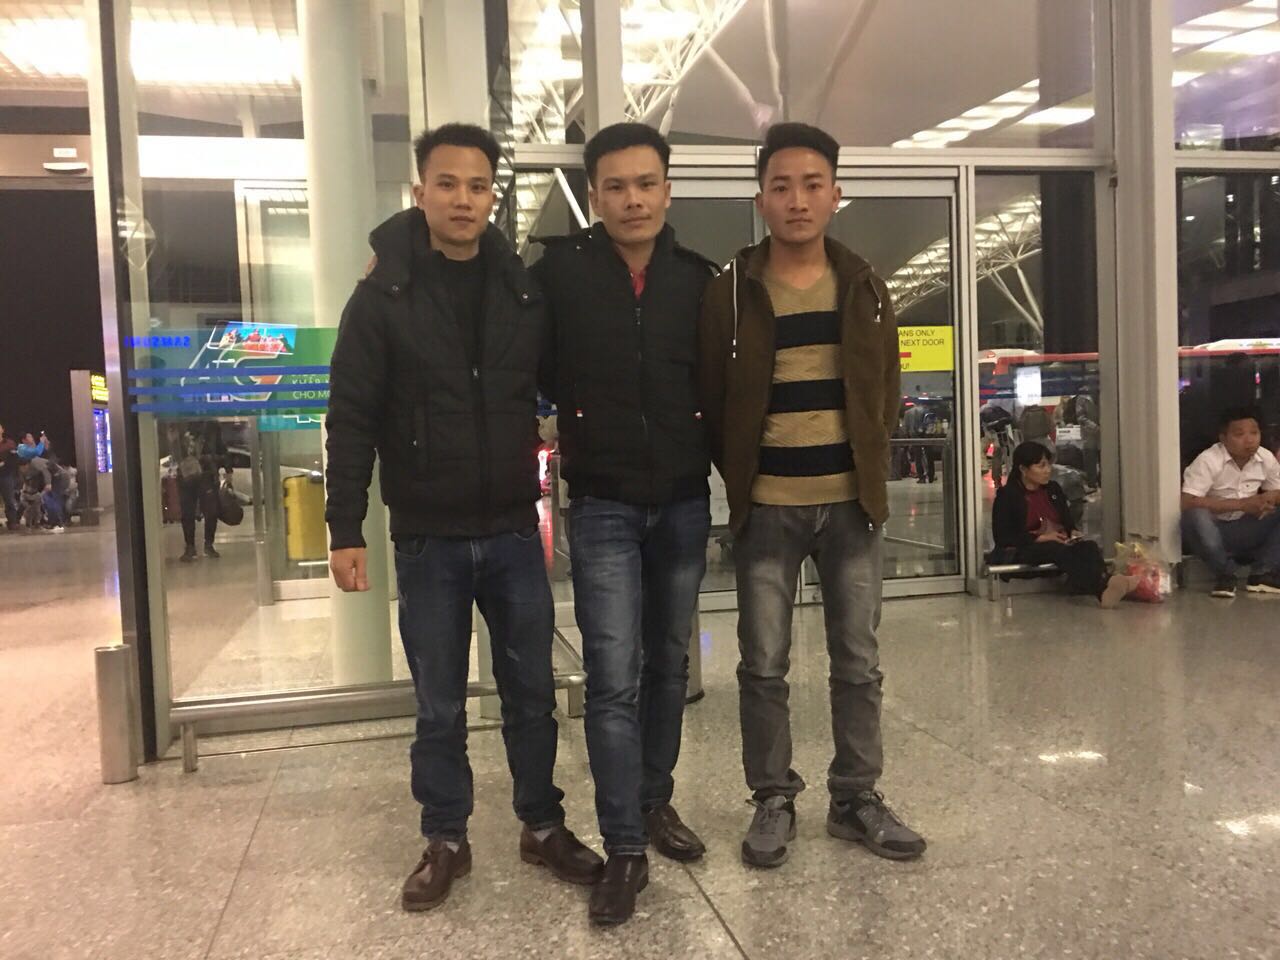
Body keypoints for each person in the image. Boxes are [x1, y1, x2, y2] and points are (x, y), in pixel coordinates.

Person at [324, 123, 600, 915]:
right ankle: (445, 836)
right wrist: (345, 527)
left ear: (492, 197)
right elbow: (352, 416)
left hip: (512, 528)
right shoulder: (383, 296)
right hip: (428, 536)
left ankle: (541, 824)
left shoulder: (521, 292)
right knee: (439, 702)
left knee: (531, 693)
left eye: (478, 186)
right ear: (420, 192)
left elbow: (567, 380)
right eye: (446, 184)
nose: (463, 199)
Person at [697, 122, 926, 870]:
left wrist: (867, 466)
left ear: (835, 194)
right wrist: (743, 481)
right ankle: (772, 796)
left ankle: (856, 798)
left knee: (858, 662)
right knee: (763, 663)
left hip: (851, 507)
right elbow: (714, 399)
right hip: (767, 505)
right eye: (782, 186)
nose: (797, 200)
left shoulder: (864, 286)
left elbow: (884, 389)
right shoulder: (731, 293)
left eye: (812, 185)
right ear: (760, 199)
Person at [532, 121, 717, 926]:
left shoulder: (698, 281)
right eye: (616, 186)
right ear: (594, 195)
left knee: (669, 664)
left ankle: (653, 800)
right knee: (612, 675)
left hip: (682, 500)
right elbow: (510, 336)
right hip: (604, 501)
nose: (633, 199)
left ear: (667, 190)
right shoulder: (559, 274)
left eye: (646, 183)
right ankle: (625, 847)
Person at [991, 441, 1134, 606]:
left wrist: (1072, 531)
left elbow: (1066, 520)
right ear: (1023, 469)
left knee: (1089, 547)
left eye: (1048, 465)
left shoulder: (1052, 489)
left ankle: (1103, 585)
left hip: (1057, 545)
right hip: (1023, 549)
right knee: (1055, 548)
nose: (1047, 470)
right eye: (1041, 466)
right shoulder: (1008, 496)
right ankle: (1103, 588)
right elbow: (1003, 537)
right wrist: (1041, 538)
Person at [1180, 406, 1280, 598]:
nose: (1249, 440)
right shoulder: (1208, 460)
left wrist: (1268, 499)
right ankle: (1225, 574)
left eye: (1254, 433)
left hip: (1244, 528)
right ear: (1223, 438)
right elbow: (1188, 501)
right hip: (1211, 530)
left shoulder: (1265, 457)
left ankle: (1263, 573)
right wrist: (1243, 504)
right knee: (1195, 515)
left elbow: (1276, 490)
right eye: (1239, 434)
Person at [170, 421, 228, 561]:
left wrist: (215, 461)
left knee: (210, 512)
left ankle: (207, 544)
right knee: (187, 512)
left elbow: (221, 450)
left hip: (206, 474)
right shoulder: (180, 425)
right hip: (187, 474)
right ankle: (191, 546)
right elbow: (174, 449)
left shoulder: (211, 426)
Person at [0, 423, 19, 530]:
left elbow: (14, 458)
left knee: (9, 500)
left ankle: (12, 522)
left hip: (6, 475)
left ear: (2, 430)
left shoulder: (10, 443)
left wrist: (4, 463)